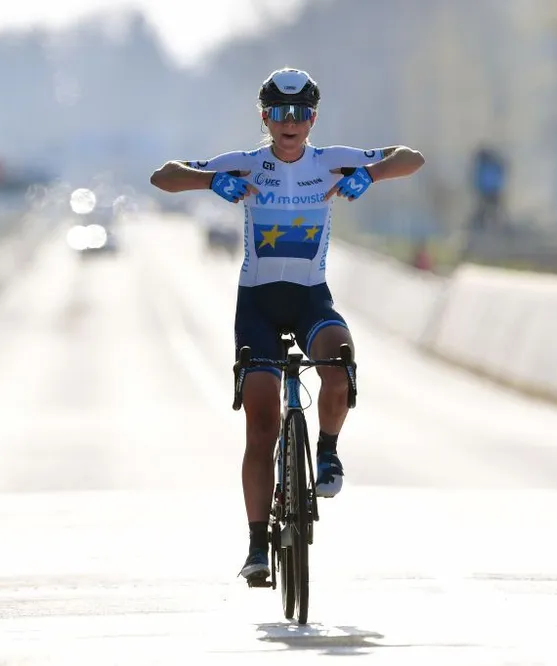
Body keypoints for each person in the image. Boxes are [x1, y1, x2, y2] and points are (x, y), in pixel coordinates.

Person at [150, 67, 425, 583]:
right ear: (265, 118)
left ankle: (326, 453)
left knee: (339, 362)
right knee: (262, 424)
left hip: (310, 299)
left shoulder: (334, 163)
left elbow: (411, 158)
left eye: (300, 114)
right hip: (257, 304)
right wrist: (214, 180)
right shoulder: (248, 165)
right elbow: (163, 176)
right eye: (279, 113)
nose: (290, 123)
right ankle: (257, 545)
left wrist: (373, 173)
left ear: (313, 118)